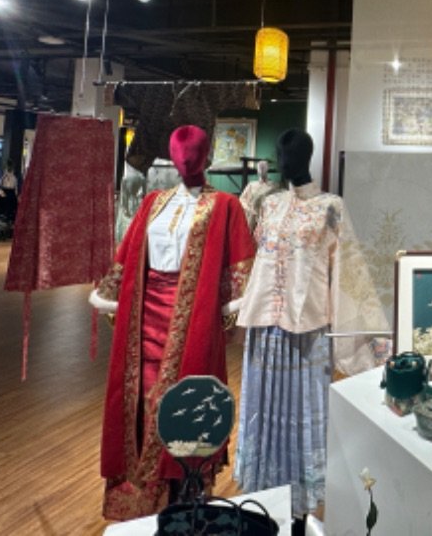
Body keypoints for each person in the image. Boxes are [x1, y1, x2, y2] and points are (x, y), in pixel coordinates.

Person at [88, 125, 255, 520]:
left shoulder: (225, 205)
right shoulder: (153, 202)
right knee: (139, 400)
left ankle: (183, 498)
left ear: (205, 156)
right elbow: (129, 253)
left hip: (194, 314)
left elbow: (240, 265)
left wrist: (230, 314)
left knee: (184, 401)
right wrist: (111, 295)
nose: (187, 161)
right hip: (143, 315)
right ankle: (140, 496)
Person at [233, 129, 389, 519]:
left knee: (302, 414)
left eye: (291, 154)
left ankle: (301, 506)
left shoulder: (330, 207)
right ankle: (264, 497)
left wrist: (363, 337)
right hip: (265, 331)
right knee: (263, 411)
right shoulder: (269, 205)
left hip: (307, 335)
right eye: (281, 154)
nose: (284, 161)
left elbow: (348, 273)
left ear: (307, 157)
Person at [238, 159, 278, 232]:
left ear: (267, 169)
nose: (262, 170)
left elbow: (277, 201)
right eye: (260, 168)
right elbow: (242, 200)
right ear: (257, 170)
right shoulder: (252, 185)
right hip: (253, 217)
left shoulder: (273, 186)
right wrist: (250, 209)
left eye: (264, 168)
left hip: (267, 216)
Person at [0, 160, 18, 241]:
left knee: (9, 216)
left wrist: (16, 195)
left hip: (11, 196)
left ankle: (7, 234)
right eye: (9, 166)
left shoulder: (14, 176)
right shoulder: (1, 174)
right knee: (0, 215)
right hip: (3, 195)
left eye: (11, 166)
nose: (10, 168)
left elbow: (16, 187)